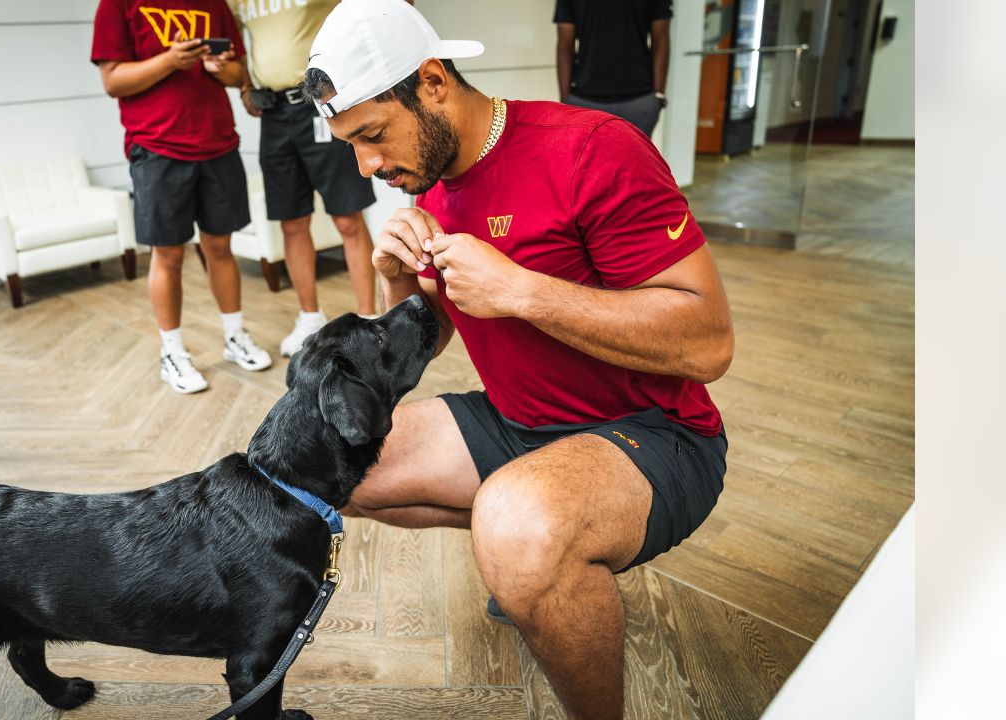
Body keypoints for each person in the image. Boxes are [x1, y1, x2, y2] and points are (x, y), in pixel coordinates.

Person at [301, 1, 733, 718]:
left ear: (433, 84)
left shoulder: (593, 147)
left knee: (517, 529)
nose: (369, 166)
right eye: (351, 144)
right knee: (329, 458)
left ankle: (534, 552)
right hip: (518, 423)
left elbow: (708, 341)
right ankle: (536, 558)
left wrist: (524, 291)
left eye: (373, 135)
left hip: (656, 435)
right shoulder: (425, 173)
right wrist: (400, 279)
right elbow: (428, 338)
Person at [92, 0, 273, 395]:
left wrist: (219, 68)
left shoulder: (214, 3)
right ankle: (172, 352)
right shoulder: (117, 4)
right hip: (156, 149)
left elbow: (240, 72)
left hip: (218, 143)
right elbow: (113, 81)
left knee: (220, 248)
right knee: (168, 254)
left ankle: (234, 335)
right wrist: (171, 60)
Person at [230, 0, 388, 356]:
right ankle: (309, 317)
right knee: (292, 222)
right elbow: (237, 45)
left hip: (322, 104)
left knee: (348, 218)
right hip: (273, 113)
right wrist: (243, 85)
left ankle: (366, 321)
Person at [555, 0, 672, 137]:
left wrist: (658, 96)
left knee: (632, 158)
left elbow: (661, 38)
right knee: (589, 158)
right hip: (584, 100)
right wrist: (566, 102)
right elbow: (565, 43)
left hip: (639, 100)